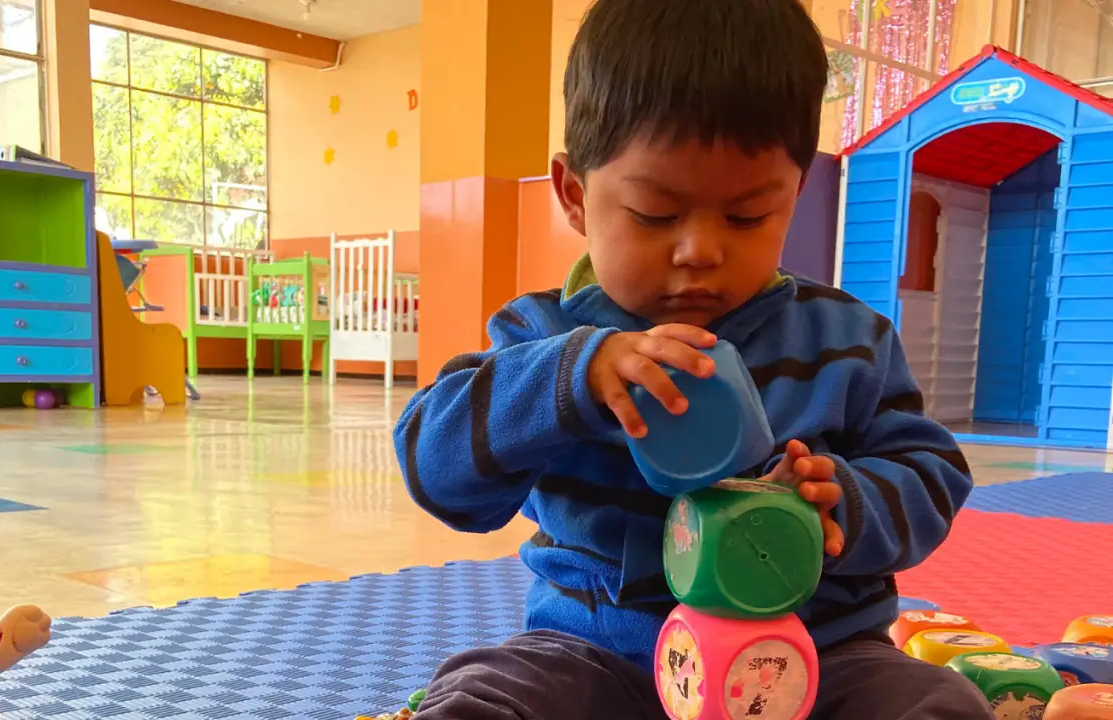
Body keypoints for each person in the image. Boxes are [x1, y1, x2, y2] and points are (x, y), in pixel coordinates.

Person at [392, 0, 992, 717]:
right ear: (575, 195)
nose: (700, 250)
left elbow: (933, 472)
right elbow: (434, 468)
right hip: (599, 654)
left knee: (932, 701)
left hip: (814, 658)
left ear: (794, 195)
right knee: (485, 696)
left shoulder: (846, 339)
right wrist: (569, 380)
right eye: (655, 214)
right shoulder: (541, 335)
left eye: (746, 216)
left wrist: (850, 503)